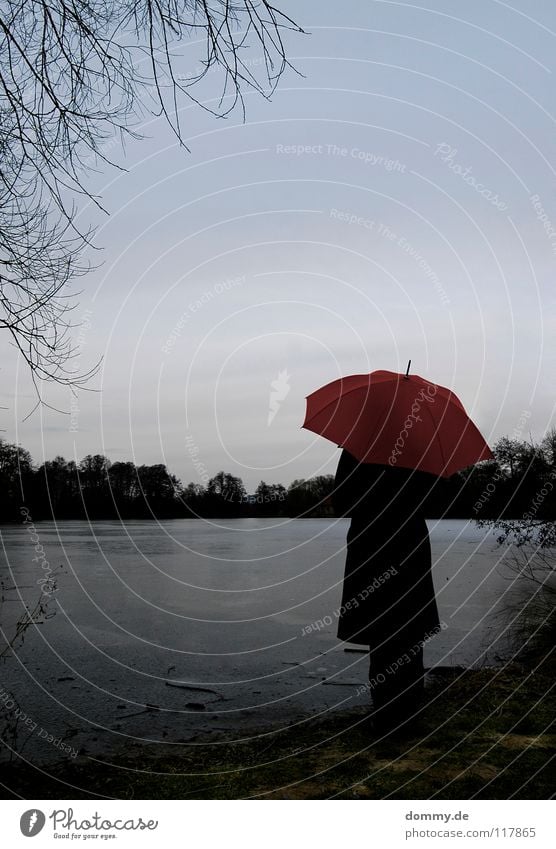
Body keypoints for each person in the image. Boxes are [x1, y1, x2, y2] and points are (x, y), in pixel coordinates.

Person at [332, 449, 441, 735]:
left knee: (382, 632)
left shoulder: (360, 447)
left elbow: (341, 503)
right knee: (410, 630)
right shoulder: (421, 445)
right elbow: (437, 499)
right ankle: (407, 716)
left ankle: (385, 716)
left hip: (371, 544)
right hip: (409, 543)